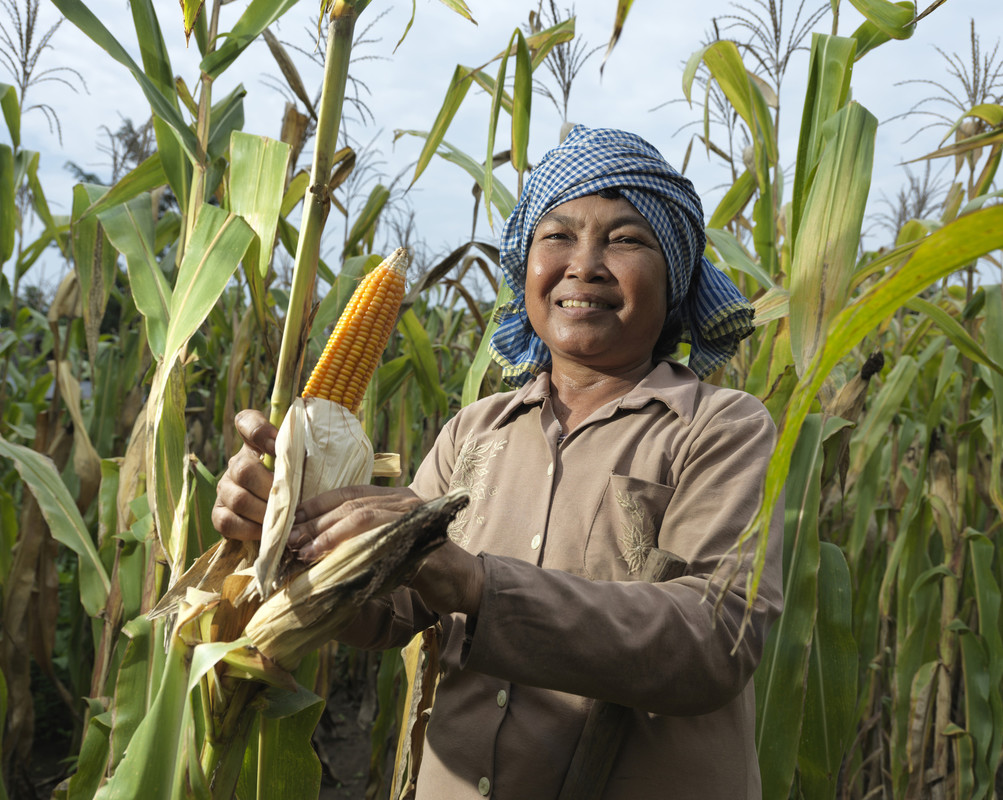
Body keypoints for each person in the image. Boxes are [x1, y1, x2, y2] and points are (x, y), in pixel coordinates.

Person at [214, 126, 784, 799]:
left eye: (626, 239)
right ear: (526, 266)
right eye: (558, 236)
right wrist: (286, 527)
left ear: (676, 274)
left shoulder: (720, 426)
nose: (585, 264)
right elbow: (384, 610)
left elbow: (714, 639)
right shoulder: (474, 430)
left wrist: (478, 586)